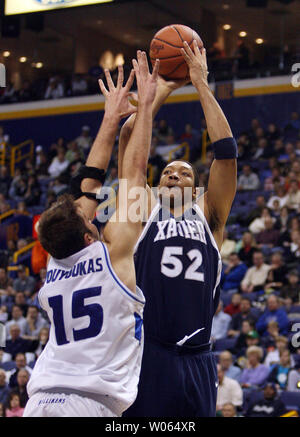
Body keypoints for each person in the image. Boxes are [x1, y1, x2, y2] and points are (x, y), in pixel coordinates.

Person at [23, 53, 160, 418]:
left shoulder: (53, 255)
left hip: (39, 399)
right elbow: (133, 175)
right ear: (88, 238)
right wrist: (145, 106)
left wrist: (110, 119)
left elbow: (86, 189)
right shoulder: (113, 256)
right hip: (89, 403)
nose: (94, 218)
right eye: (91, 223)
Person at [124, 41, 237, 417]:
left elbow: (226, 152)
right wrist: (162, 92)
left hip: (199, 356)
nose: (173, 174)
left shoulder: (211, 215)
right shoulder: (143, 212)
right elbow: (128, 139)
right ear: (157, 186)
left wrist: (201, 83)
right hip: (150, 352)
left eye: (184, 172)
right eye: (167, 172)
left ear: (196, 187)